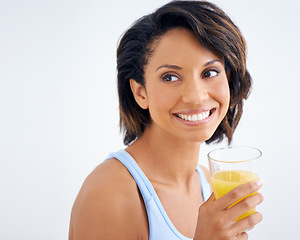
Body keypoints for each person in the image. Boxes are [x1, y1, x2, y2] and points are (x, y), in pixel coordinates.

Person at [69, 1, 263, 239]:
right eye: (170, 77)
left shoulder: (210, 184)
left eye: (209, 73)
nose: (196, 96)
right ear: (141, 92)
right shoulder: (110, 192)